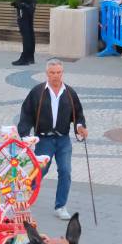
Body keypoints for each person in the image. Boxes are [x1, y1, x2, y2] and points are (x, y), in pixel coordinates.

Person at [17, 59, 86, 220]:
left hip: (63, 140)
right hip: (43, 139)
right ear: (46, 73)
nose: (55, 76)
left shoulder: (70, 93)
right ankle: (25, 198)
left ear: (62, 73)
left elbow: (78, 115)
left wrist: (80, 127)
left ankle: (60, 206)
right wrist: (25, 135)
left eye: (58, 72)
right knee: (41, 170)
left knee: (65, 171)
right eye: (52, 73)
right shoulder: (37, 92)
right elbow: (26, 114)